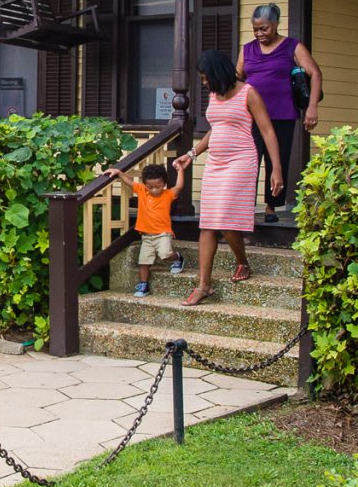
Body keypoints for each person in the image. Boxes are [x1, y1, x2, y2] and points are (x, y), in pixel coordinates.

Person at [179, 49, 283, 306]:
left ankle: (242, 262)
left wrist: (277, 169)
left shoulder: (249, 93)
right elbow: (216, 129)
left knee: (224, 219)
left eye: (205, 77)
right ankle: (204, 285)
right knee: (208, 222)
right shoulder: (215, 95)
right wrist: (192, 153)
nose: (204, 83)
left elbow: (268, 132)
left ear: (217, 73)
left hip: (241, 161)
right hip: (215, 163)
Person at [240, 4, 321, 210]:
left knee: (278, 161)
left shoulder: (292, 46)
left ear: (276, 25)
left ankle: (272, 206)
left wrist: (312, 107)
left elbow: (315, 73)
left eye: (264, 28)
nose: (259, 33)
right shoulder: (247, 49)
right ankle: (244, 205)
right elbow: (237, 78)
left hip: (282, 113)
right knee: (249, 160)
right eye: (255, 29)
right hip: (251, 116)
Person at [111, 157, 187, 296]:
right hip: (146, 235)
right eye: (150, 187)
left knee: (164, 254)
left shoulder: (168, 194)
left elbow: (180, 186)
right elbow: (129, 182)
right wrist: (119, 173)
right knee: (143, 261)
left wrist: (180, 170)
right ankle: (143, 285)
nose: (154, 190)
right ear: (145, 184)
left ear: (164, 183)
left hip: (163, 234)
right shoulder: (142, 191)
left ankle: (177, 258)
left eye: (158, 186)